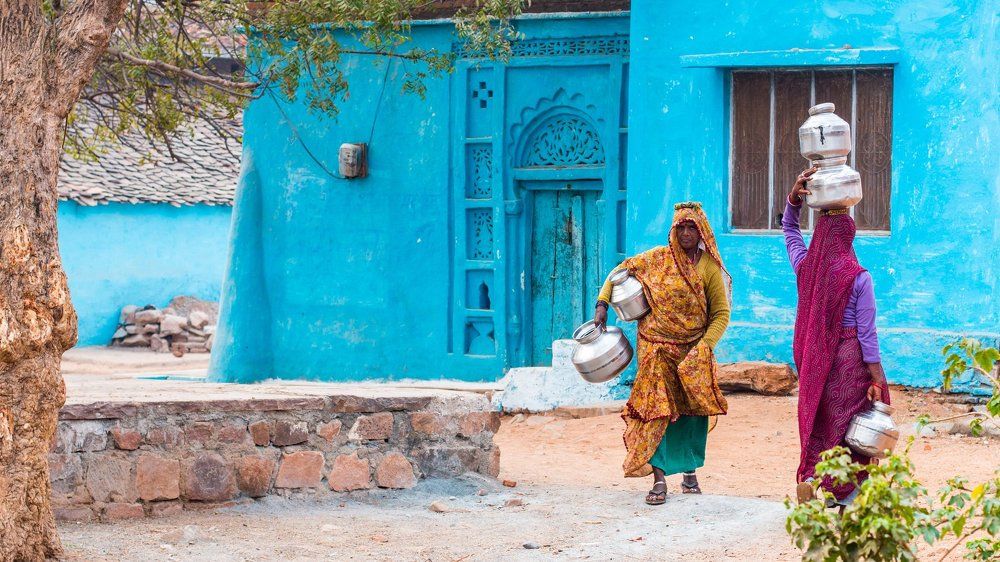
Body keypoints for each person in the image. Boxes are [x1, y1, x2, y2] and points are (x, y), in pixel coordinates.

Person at [593, 202, 731, 505]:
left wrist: (704, 347)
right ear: (672, 230)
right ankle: (658, 479)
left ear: (701, 231)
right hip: (655, 349)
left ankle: (689, 470)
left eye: (691, 227)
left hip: (692, 350)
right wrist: (602, 304)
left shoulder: (708, 268)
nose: (685, 232)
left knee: (692, 412)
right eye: (680, 227)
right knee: (656, 411)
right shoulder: (656, 259)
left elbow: (720, 313)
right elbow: (620, 270)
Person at [784, 167, 890, 508]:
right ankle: (845, 495)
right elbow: (867, 335)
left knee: (821, 420)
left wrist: (794, 200)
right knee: (851, 427)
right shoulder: (859, 277)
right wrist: (876, 378)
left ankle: (814, 477)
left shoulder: (805, 267)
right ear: (849, 237)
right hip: (848, 361)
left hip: (815, 362)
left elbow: (789, 231)